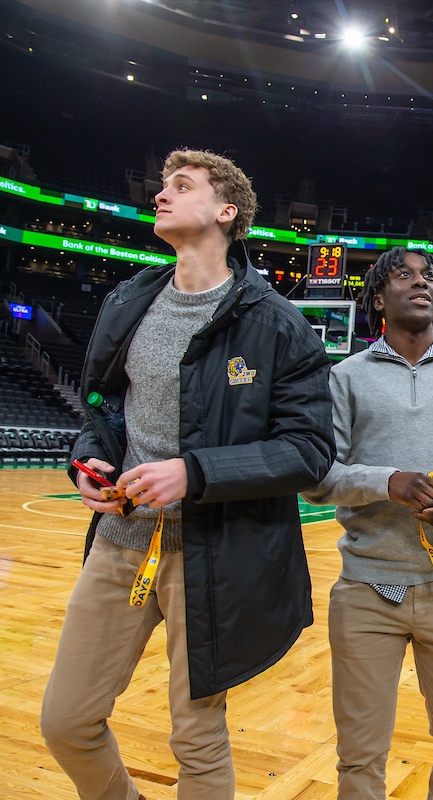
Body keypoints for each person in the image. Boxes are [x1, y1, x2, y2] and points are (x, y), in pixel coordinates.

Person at [41, 149, 335, 800]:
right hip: (120, 544)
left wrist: (194, 472)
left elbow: (310, 449)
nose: (160, 195)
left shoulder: (279, 325)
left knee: (196, 740)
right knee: (65, 722)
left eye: (181, 186)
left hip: (214, 555)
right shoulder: (129, 301)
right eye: (162, 186)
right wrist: (89, 459)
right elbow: (101, 406)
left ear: (227, 211)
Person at [302, 246, 433, 800]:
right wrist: (387, 481)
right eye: (404, 275)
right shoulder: (345, 376)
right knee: (359, 757)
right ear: (379, 298)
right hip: (367, 590)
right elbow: (318, 476)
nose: (420, 283)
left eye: (430, 277)